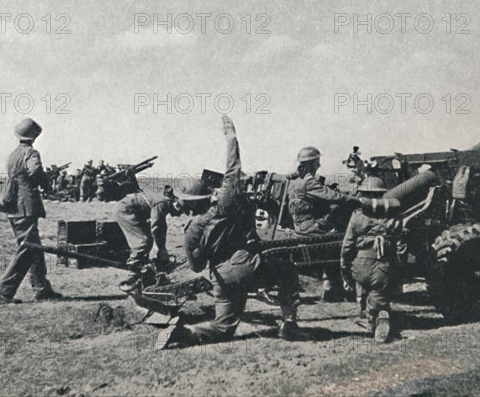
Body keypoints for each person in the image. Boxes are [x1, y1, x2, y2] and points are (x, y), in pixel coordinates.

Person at [157, 116, 302, 350]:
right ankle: (289, 321)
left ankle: (186, 333)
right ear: (208, 194)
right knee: (287, 272)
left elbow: (196, 266)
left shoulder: (191, 230)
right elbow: (233, 168)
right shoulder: (225, 203)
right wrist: (231, 136)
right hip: (248, 265)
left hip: (222, 278)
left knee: (224, 327)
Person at [0, 118, 62, 304]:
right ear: (34, 137)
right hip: (25, 207)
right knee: (28, 249)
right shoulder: (31, 153)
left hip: (14, 206)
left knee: (34, 248)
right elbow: (35, 170)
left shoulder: (13, 155)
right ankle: (3, 292)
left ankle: (41, 288)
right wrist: (46, 182)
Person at [287, 146, 361, 300]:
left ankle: (330, 285)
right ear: (310, 164)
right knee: (345, 233)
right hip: (310, 228)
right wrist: (357, 201)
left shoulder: (295, 181)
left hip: (300, 225)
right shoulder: (309, 182)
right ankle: (337, 284)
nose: (319, 165)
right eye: (317, 162)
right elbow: (333, 197)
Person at [340, 176, 403, 343]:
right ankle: (380, 316)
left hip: (360, 263)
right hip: (383, 263)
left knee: (363, 284)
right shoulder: (395, 216)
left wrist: (345, 267)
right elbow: (401, 245)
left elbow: (347, 246)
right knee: (379, 291)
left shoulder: (357, 216)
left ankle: (368, 314)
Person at [115, 183, 180, 283]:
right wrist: (161, 248)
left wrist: (162, 247)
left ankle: (144, 267)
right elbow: (156, 226)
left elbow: (161, 226)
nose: (181, 213)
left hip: (134, 210)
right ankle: (133, 271)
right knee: (142, 242)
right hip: (126, 210)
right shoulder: (163, 202)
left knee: (148, 239)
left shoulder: (165, 202)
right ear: (177, 202)